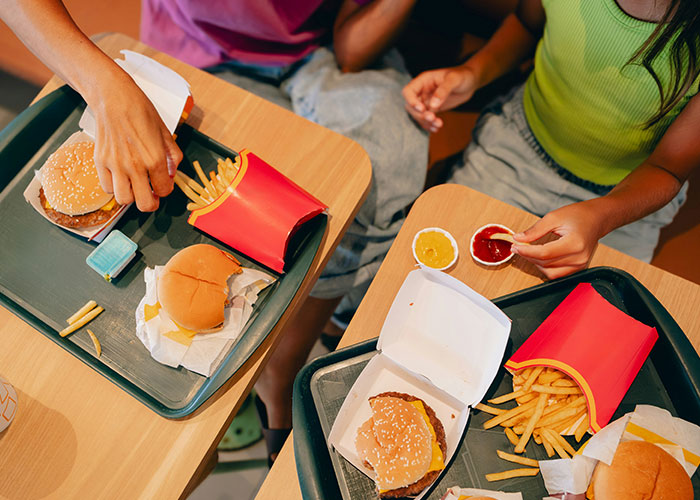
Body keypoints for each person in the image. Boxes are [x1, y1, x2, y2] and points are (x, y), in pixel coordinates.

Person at [1, 0, 427, 462]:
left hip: (318, 53)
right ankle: (267, 381)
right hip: (193, 49)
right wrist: (105, 88)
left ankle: (280, 371)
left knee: (375, 185)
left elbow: (351, 50)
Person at [403, 0, 699, 280]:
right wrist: (472, 73)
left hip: (626, 199)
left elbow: (669, 168)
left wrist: (600, 217)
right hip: (516, 145)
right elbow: (526, 24)